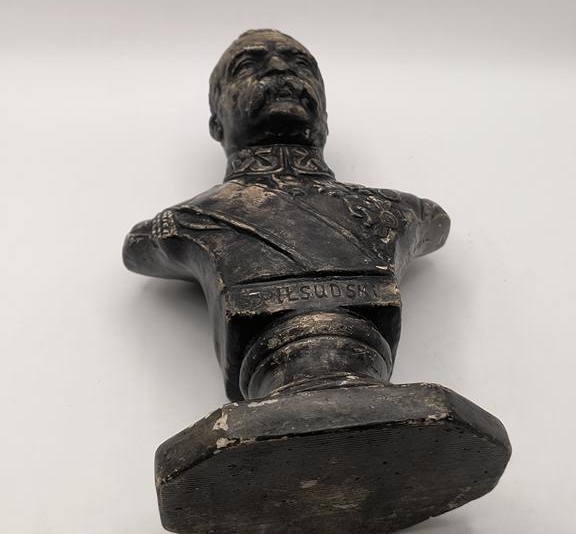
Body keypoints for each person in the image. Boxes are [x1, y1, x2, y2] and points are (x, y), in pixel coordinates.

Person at [123, 29, 450, 399]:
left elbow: (437, 223)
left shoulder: (401, 213)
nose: (280, 68)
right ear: (216, 124)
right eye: (248, 65)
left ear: (325, 114)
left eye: (300, 65)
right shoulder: (185, 224)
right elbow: (137, 250)